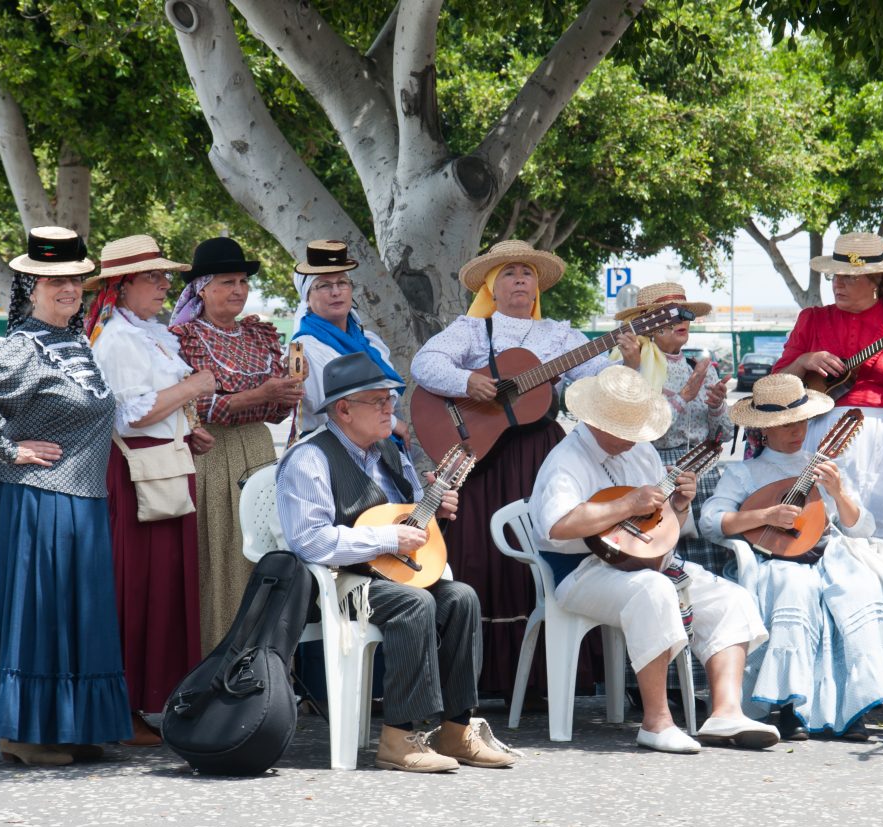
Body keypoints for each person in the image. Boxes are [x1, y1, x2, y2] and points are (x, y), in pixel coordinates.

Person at [276, 352, 514, 772]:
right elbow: (310, 541)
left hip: (390, 571)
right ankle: (399, 736)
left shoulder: (389, 450)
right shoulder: (309, 458)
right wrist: (388, 536)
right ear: (344, 409)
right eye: (379, 401)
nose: (391, 409)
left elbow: (404, 514)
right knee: (414, 604)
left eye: (391, 399)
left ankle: (456, 730)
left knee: (462, 597)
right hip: (337, 581)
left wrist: (432, 511)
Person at [0, 226, 132, 766]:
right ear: (30, 285)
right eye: (55, 281)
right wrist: (10, 448)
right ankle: (23, 733)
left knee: (77, 615)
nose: (69, 289)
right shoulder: (24, 346)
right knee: (38, 614)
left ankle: (71, 726)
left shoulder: (75, 342)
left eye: (75, 279)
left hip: (82, 503)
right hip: (35, 504)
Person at [410, 240, 625, 698]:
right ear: (492, 284)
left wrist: (622, 357)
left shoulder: (560, 335)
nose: (520, 280)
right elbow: (424, 364)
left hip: (541, 455)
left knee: (543, 546)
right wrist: (469, 381)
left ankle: (543, 680)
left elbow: (597, 382)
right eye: (509, 272)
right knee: (478, 552)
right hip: (483, 456)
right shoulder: (471, 330)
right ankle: (473, 678)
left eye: (527, 273)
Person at [529, 365, 777, 753]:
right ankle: (656, 721)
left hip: (643, 562)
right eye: (626, 429)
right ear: (597, 421)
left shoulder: (640, 452)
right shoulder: (566, 459)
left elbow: (662, 531)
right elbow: (558, 526)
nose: (634, 438)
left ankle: (726, 712)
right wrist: (627, 503)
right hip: (580, 571)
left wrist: (678, 504)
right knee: (654, 591)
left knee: (731, 598)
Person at [700, 374, 883, 740]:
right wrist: (763, 517)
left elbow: (861, 527)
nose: (796, 430)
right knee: (793, 586)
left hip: (831, 555)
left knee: (859, 586)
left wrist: (840, 493)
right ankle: (788, 705)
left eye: (800, 420)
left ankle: (856, 705)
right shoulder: (743, 472)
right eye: (784, 424)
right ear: (764, 429)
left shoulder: (827, 466)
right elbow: (710, 522)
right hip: (776, 561)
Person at [773, 232, 883, 668]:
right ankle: (827, 661)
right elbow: (776, 382)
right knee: (821, 538)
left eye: (850, 277)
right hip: (820, 430)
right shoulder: (812, 319)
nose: (839, 283)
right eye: (836, 274)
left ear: (875, 278)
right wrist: (805, 362)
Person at [84, 234, 216, 746]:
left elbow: (153, 409)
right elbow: (127, 413)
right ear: (122, 286)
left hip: (165, 467)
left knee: (165, 587)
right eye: (153, 277)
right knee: (138, 588)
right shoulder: (118, 340)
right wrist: (193, 387)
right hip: (139, 475)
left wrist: (188, 427)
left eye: (164, 276)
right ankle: (124, 706)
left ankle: (149, 699)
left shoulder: (147, 334)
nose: (165, 285)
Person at [170, 237, 306, 652]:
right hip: (210, 454)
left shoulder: (260, 333)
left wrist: (284, 397)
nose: (238, 290)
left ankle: (263, 661)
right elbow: (195, 406)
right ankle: (215, 655)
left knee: (263, 555)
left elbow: (275, 413)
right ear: (202, 288)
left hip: (260, 450)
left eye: (243, 281)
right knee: (221, 553)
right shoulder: (182, 336)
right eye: (227, 281)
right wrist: (261, 395)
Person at [613, 281, 731, 575]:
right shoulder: (635, 366)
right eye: (673, 314)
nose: (683, 321)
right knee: (663, 560)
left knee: (710, 565)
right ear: (650, 323)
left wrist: (716, 406)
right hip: (659, 474)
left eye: (686, 314)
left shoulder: (699, 366)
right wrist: (684, 397)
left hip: (703, 476)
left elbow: (725, 434)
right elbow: (645, 431)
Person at [289, 240, 406, 441]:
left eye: (342, 283)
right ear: (307, 297)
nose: (336, 292)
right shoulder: (303, 348)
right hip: (333, 449)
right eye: (324, 285)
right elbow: (331, 409)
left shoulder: (369, 340)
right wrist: (394, 424)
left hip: (378, 442)